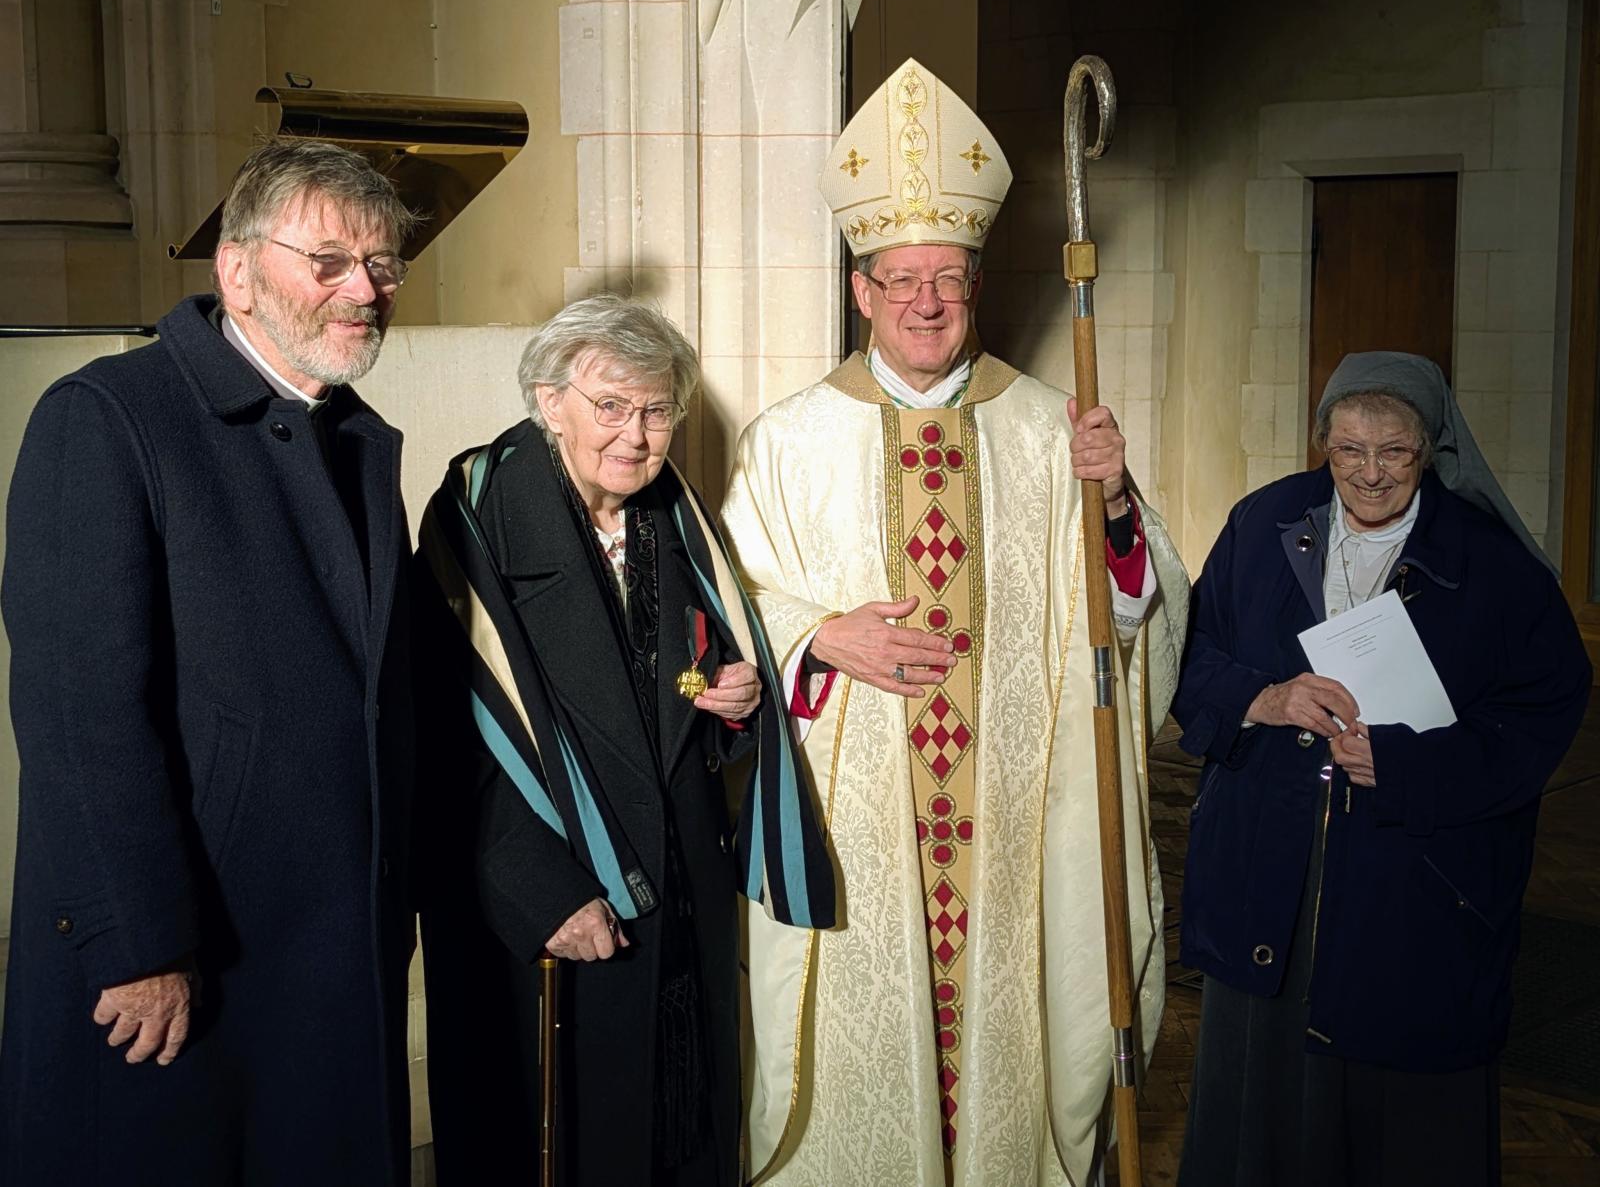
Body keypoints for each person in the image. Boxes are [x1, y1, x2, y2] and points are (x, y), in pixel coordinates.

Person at [719, 57, 1189, 1187]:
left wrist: (1116, 505)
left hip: (1014, 831)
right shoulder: (789, 440)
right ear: (860, 289)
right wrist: (820, 634)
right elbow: (727, 607)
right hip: (854, 831)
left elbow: (1128, 622)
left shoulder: (1048, 429)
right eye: (900, 280)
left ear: (974, 287)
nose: (926, 302)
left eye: (949, 280)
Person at [0, 139, 422, 1184]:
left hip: (328, 935)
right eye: (327, 260)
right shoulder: (106, 417)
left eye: (380, 264)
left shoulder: (351, 433)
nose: (362, 289)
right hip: (184, 945)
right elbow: (77, 711)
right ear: (236, 270)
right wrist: (138, 941)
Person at [414, 296, 833, 1187]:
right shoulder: (477, 512)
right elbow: (450, 729)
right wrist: (544, 893)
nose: (637, 435)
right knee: (564, 1143)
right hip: (550, 897)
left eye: (656, 409)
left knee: (679, 1133)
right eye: (611, 406)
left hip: (679, 879)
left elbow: (675, 678)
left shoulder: (673, 515)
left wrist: (727, 696)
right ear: (548, 399)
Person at [1173, 351, 1590, 1187]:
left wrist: (1403, 762)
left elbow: (1543, 716)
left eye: (1393, 452)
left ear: (1431, 449)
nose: (1368, 474)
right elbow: (1186, 656)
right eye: (1348, 450)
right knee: (1261, 1120)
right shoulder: (1263, 523)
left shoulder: (1496, 566)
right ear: (1322, 443)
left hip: (1415, 888)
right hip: (1267, 870)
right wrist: (1268, 696)